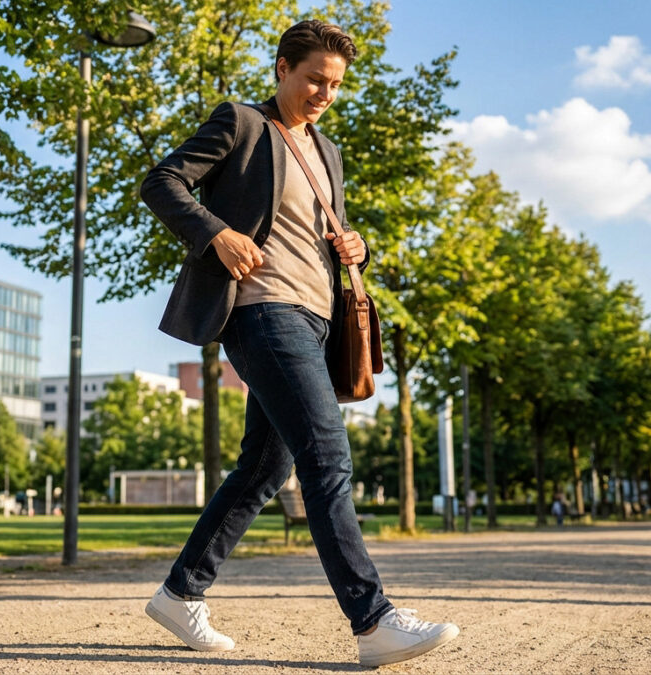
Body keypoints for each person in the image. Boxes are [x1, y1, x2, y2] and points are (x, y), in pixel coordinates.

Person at [139, 19, 459, 668]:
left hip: (316, 319)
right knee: (327, 456)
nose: (324, 92)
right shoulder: (242, 123)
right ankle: (373, 622)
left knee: (263, 468)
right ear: (282, 67)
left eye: (336, 84)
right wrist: (215, 233)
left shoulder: (328, 152)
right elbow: (162, 181)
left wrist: (353, 245)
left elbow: (312, 230)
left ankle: (180, 592)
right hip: (262, 311)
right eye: (315, 78)